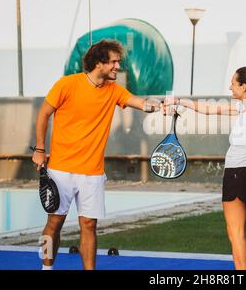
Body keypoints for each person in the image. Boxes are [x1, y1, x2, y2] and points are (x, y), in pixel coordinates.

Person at [31, 39, 161, 270]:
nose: (117, 67)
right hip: (60, 169)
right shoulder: (67, 84)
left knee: (89, 225)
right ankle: (46, 268)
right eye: (113, 62)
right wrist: (40, 149)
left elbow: (139, 103)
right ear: (99, 63)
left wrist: (161, 105)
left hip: (92, 172)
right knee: (54, 224)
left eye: (118, 62)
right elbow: (43, 114)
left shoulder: (114, 90)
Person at [164, 66, 246, 270]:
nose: (230, 87)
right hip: (238, 174)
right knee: (237, 233)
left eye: (233, 83)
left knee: (236, 234)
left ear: (244, 87)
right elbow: (210, 109)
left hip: (239, 175)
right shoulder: (245, 109)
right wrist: (178, 101)